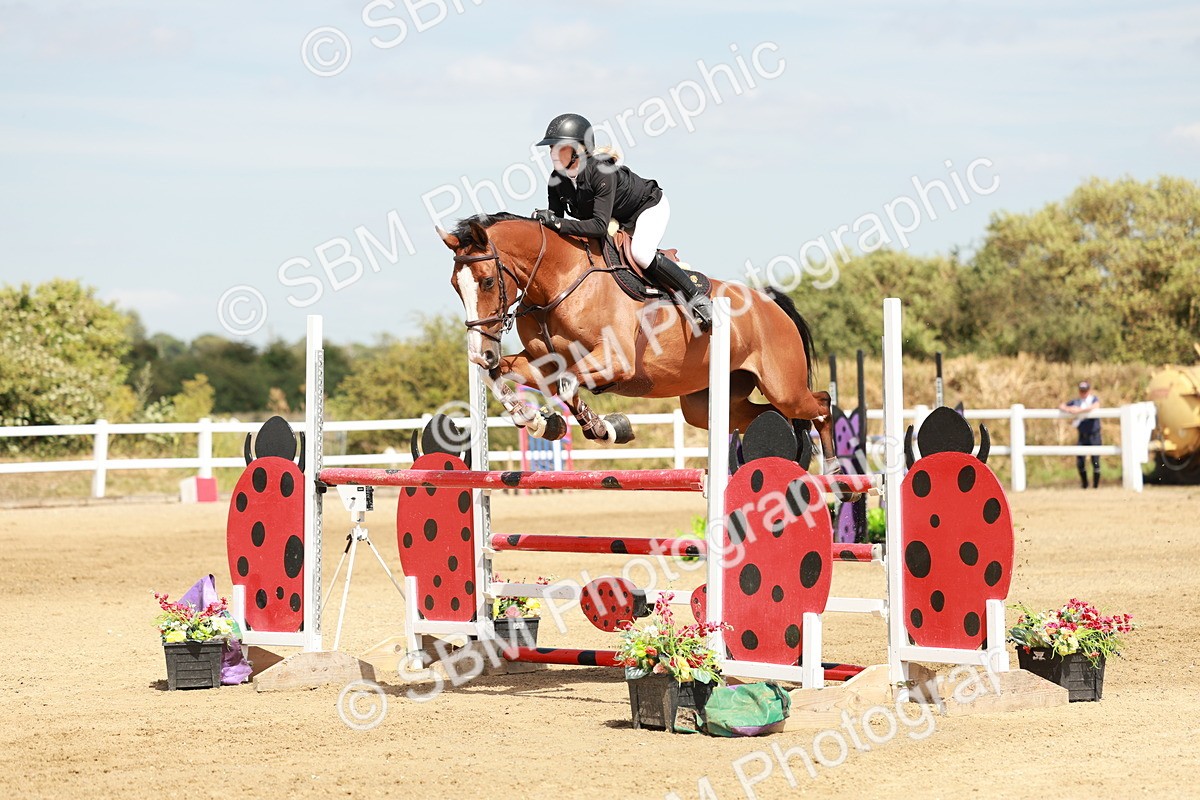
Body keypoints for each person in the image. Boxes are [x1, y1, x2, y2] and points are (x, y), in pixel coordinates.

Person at [531, 112, 713, 332]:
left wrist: (558, 223)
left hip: (647, 208)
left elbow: (598, 226)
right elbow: (555, 223)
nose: (552, 153)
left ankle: (697, 298)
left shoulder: (601, 172)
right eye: (551, 148)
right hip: (614, 218)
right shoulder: (556, 180)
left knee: (641, 253)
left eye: (558, 147)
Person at [1059, 380, 1102, 488]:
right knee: (1080, 461)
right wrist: (1069, 409)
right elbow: (1062, 406)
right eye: (1081, 391)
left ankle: (1096, 485)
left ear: (1089, 390)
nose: (1083, 393)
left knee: (1095, 461)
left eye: (1085, 391)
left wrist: (1079, 411)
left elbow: (1096, 405)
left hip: (1094, 435)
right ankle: (1085, 484)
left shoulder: (1093, 399)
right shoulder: (1076, 402)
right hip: (1082, 436)